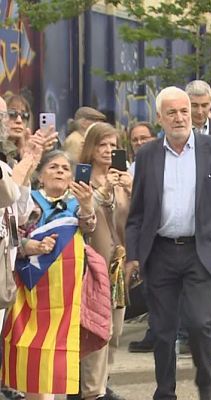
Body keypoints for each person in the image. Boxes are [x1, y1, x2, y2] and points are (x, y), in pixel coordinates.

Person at [125, 86, 211, 400]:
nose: (180, 117)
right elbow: (136, 212)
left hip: (200, 251)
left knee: (201, 325)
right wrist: (133, 254)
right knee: (163, 330)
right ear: (160, 118)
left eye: (184, 111)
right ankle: (165, 392)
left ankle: (206, 388)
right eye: (172, 112)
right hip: (160, 252)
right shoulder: (148, 154)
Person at [2, 150, 96, 400]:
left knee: (58, 354)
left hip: (65, 293)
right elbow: (12, 234)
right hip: (30, 289)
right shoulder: (27, 200)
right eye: (54, 167)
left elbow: (89, 229)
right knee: (33, 353)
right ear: (40, 176)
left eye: (66, 169)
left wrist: (87, 206)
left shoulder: (78, 202)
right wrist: (27, 246)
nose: (60, 172)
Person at [77, 122, 132, 400]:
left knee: (115, 331)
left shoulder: (124, 179)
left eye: (114, 145)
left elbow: (133, 219)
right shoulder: (83, 177)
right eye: (103, 145)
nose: (110, 150)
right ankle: (91, 390)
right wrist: (102, 191)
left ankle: (103, 382)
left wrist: (133, 189)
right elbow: (80, 216)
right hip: (91, 265)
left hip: (118, 265)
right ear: (92, 147)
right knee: (97, 328)